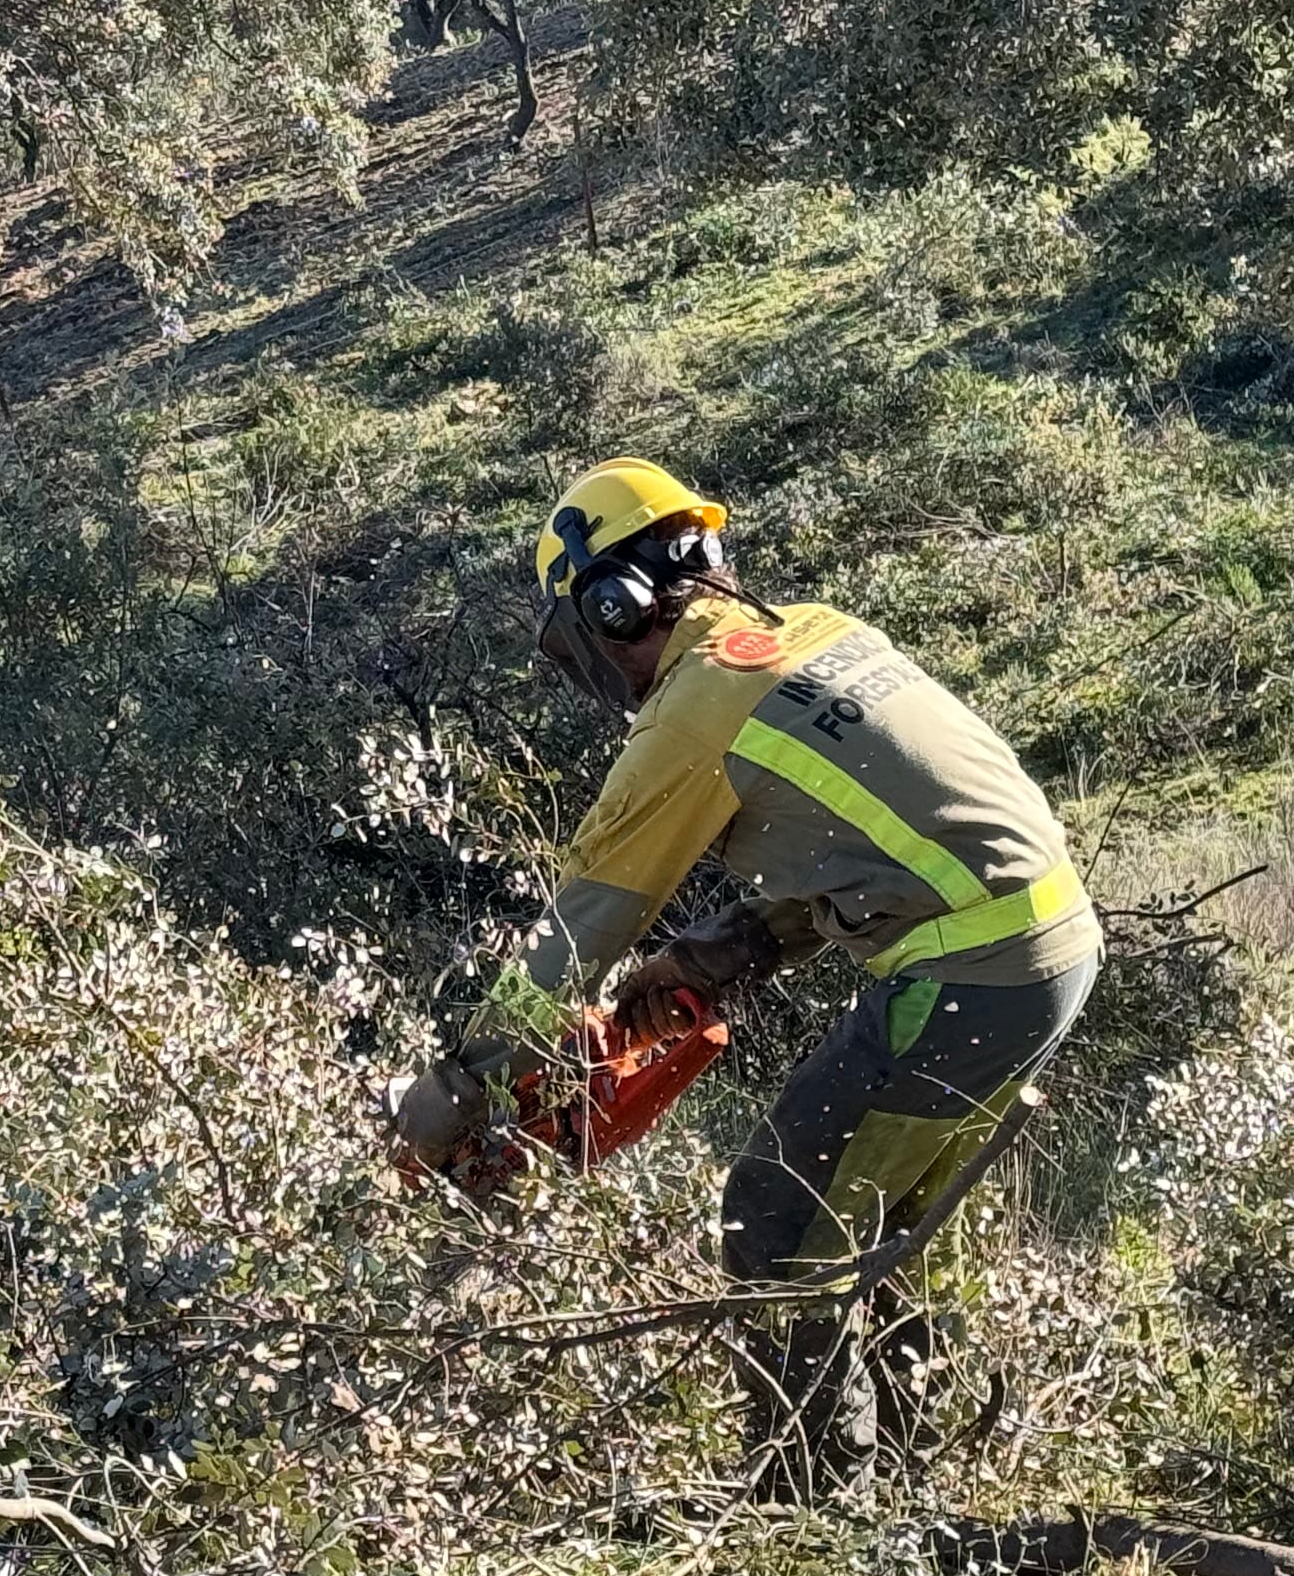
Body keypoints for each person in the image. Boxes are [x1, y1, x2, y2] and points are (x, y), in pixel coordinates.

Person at [454, 455, 1099, 1497]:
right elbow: (876, 844)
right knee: (886, 1221)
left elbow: (579, 932)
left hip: (971, 970)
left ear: (611, 612)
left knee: (778, 1214)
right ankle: (912, 1487)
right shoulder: (819, 634)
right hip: (1045, 945)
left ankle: (811, 1510)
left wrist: (465, 1089)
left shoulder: (694, 712)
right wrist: (718, 956)